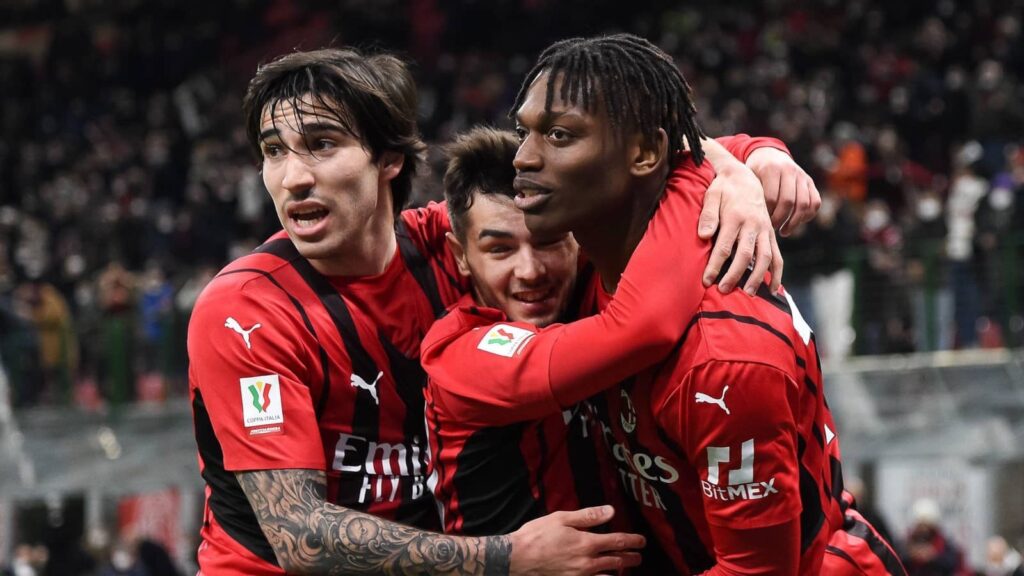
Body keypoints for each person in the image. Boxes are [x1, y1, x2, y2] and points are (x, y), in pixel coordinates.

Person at [187, 46, 789, 575]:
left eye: (321, 145)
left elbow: (602, 166)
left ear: (388, 159)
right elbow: (301, 539)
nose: (292, 177)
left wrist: (743, 163)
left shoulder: (454, 246)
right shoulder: (245, 312)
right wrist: (508, 558)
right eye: (273, 151)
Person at [425, 33, 904, 574]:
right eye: (524, 133)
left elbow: (756, 572)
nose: (525, 159)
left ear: (646, 152)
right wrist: (738, 160)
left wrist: (737, 163)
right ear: (458, 254)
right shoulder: (502, 317)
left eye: (558, 135)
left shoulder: (722, 356)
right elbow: (636, 324)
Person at [423, 126, 792, 540]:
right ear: (461, 257)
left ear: (575, 233)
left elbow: (641, 164)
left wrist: (755, 156)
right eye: (500, 250)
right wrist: (721, 172)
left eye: (547, 242)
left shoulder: (584, 281)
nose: (530, 272)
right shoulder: (460, 357)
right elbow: (642, 330)